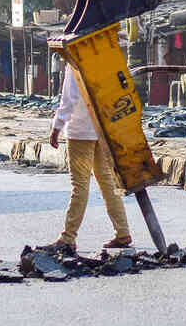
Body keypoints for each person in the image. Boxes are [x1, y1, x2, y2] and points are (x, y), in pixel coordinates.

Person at [42, 67, 133, 254]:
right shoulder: (103, 56)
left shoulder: (75, 59)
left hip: (79, 131)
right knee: (107, 182)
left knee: (80, 186)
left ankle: (68, 237)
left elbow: (70, 99)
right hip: (102, 129)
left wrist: (57, 125)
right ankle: (122, 232)